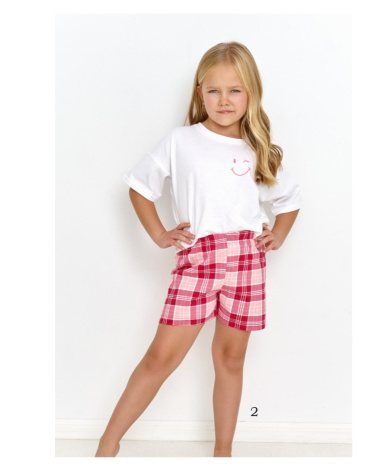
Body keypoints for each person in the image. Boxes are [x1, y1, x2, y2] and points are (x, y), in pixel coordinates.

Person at [95, 41, 301, 458]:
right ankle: (106, 447)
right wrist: (159, 234)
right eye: (214, 91)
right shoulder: (181, 141)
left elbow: (289, 200)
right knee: (160, 358)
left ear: (251, 93)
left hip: (247, 262)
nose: (224, 100)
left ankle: (223, 453)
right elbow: (139, 187)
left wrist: (278, 234)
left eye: (235, 90)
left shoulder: (259, 149)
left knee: (230, 359)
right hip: (199, 260)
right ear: (199, 92)